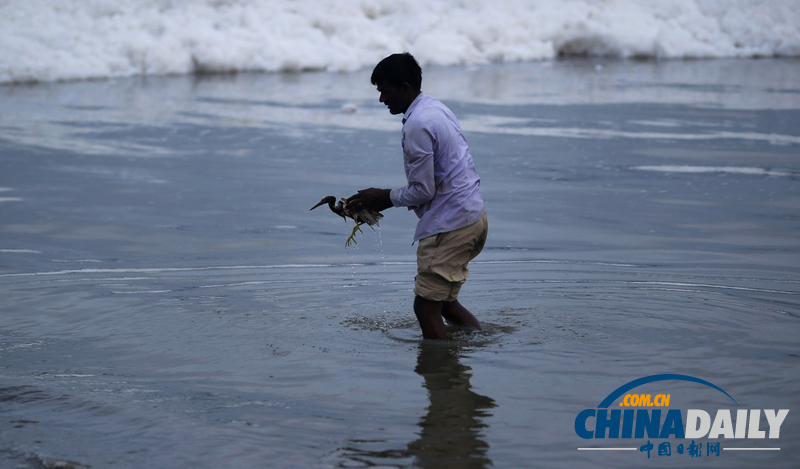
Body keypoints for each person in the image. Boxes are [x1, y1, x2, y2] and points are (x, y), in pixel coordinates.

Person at [346, 52, 488, 339]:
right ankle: (482, 342)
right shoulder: (436, 108)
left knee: (425, 308)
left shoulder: (416, 124)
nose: (382, 100)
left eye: (385, 92)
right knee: (444, 304)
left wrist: (384, 196)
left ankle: (440, 371)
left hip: (451, 226)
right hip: (474, 219)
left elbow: (424, 190)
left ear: (405, 88)